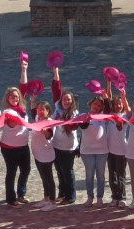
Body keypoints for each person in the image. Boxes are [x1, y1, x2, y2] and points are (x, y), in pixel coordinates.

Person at [1, 61, 31, 207]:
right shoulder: (7, 111)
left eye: (16, 96)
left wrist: (24, 69)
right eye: (12, 96)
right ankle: (10, 198)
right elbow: (12, 123)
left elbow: (23, 87)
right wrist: (22, 121)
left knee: (26, 170)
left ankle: (21, 194)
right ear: (7, 98)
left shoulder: (21, 108)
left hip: (23, 145)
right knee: (11, 172)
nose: (15, 98)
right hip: (9, 147)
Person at [51, 65, 79, 205]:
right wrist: (56, 72)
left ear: (72, 101)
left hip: (68, 148)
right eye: (64, 99)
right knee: (59, 171)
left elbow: (74, 126)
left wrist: (64, 122)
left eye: (69, 99)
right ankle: (61, 193)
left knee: (68, 172)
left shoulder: (74, 113)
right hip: (56, 145)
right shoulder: (57, 108)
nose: (66, 101)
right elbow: (56, 89)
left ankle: (71, 196)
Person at [29, 97, 57, 211]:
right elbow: (32, 112)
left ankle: (52, 201)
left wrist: (43, 130)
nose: (39, 111)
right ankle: (46, 198)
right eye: (38, 109)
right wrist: (33, 101)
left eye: (42, 109)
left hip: (46, 155)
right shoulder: (37, 118)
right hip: (37, 154)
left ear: (48, 111)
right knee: (43, 177)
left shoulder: (50, 123)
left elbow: (49, 136)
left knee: (49, 178)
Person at [80, 97, 109, 207]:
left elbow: (108, 108)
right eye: (95, 104)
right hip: (87, 152)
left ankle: (100, 198)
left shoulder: (103, 117)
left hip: (102, 151)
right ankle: (90, 197)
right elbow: (82, 126)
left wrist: (105, 97)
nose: (96, 106)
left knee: (101, 176)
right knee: (89, 175)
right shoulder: (83, 115)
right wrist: (86, 120)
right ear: (90, 104)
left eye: (99, 105)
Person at [107, 90, 130, 207]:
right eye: (116, 104)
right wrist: (109, 82)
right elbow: (109, 98)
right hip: (110, 151)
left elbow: (128, 110)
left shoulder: (126, 116)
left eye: (120, 104)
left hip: (122, 151)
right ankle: (114, 196)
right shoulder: (110, 115)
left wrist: (123, 96)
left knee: (121, 175)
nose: (118, 106)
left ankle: (122, 197)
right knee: (112, 176)